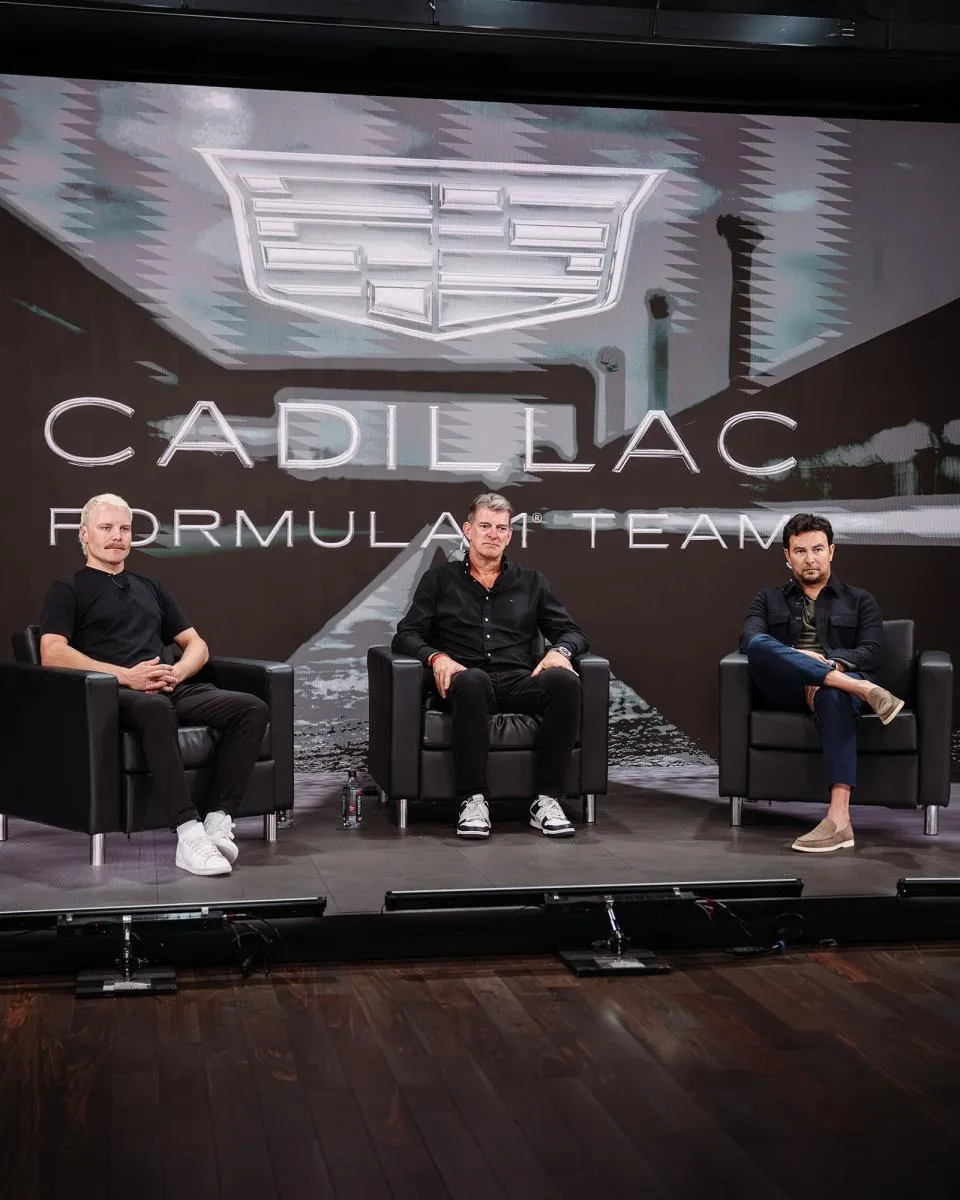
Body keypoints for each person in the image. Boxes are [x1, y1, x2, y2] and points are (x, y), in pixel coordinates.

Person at [39, 493, 268, 876]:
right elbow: (52, 651)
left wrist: (178, 673)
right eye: (106, 528)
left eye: (124, 529)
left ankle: (217, 819)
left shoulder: (151, 587)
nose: (117, 536)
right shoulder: (69, 588)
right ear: (84, 534)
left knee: (251, 709)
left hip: (168, 686)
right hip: (114, 693)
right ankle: (188, 833)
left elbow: (197, 645)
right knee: (156, 708)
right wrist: (126, 675)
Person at [393, 492, 587, 839]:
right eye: (485, 526)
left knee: (565, 682)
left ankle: (547, 800)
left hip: (517, 680)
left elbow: (572, 632)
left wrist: (561, 650)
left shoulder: (531, 582)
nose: (493, 534)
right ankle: (473, 800)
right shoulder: (439, 580)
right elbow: (406, 634)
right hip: (464, 683)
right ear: (468, 530)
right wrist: (436, 657)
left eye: (501, 528)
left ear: (509, 535)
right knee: (473, 680)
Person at [739, 512, 904, 854]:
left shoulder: (860, 600)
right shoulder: (767, 599)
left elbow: (872, 651)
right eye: (800, 551)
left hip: (835, 688)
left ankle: (839, 820)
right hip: (786, 690)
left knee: (834, 693)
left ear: (831, 551)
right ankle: (861, 689)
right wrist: (799, 658)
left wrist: (831, 665)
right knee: (757, 644)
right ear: (787, 555)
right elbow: (750, 639)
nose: (810, 558)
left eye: (817, 549)